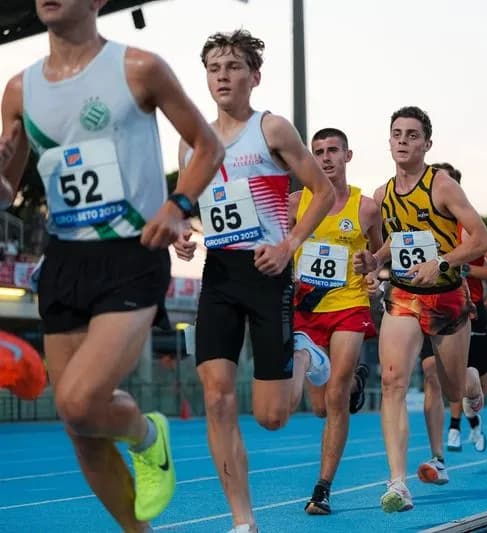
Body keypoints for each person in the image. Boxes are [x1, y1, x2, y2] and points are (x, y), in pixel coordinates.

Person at [0, 0, 224, 530]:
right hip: (64, 259)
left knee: (79, 402)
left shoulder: (139, 68)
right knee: (79, 425)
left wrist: (178, 206)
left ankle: (150, 437)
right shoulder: (19, 90)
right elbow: (7, 192)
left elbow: (206, 146)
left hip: (131, 251)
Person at [172, 30, 334, 532]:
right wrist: (183, 235)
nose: (222, 75)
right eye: (214, 67)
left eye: (234, 66)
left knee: (271, 416)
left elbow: (323, 192)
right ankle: (243, 522)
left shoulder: (272, 130)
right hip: (220, 272)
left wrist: (289, 245)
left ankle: (306, 354)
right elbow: (188, 208)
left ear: (254, 77)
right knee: (217, 396)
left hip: (269, 273)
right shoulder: (191, 142)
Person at [353, 106, 487, 512]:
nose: (402, 141)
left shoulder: (443, 185)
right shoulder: (382, 195)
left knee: (453, 389)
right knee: (394, 380)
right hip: (404, 295)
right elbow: (391, 244)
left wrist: (443, 262)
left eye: (412, 135)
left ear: (427, 144)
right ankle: (397, 483)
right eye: (396, 134)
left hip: (448, 297)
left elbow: (481, 239)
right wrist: (374, 262)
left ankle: (471, 383)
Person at [288, 127, 382, 515]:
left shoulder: (366, 208)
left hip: (349, 305)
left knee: (336, 394)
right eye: (318, 151)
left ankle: (322, 488)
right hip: (306, 310)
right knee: (319, 407)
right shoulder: (295, 202)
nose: (325, 158)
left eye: (333, 151)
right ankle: (359, 379)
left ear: (348, 155)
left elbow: (380, 255)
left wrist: (372, 268)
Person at [416, 163, 487, 462]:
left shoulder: (471, 229)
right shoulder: (419, 228)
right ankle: (441, 450)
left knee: (475, 384)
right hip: (430, 308)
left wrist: (463, 265)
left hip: (470, 312)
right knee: (431, 371)